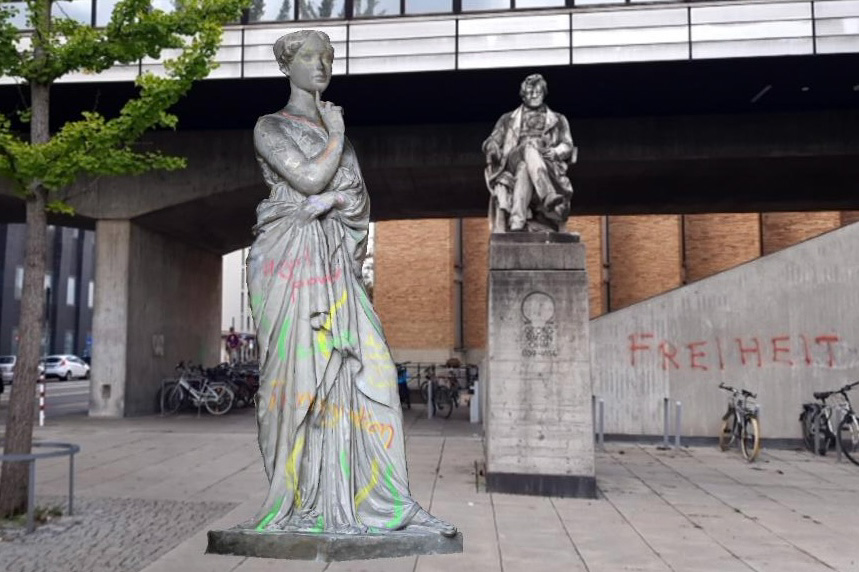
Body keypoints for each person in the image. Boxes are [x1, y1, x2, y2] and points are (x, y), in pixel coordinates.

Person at [246, 30, 455, 537]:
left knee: (376, 373)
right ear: (287, 65)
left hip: (336, 267)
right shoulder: (270, 126)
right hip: (288, 264)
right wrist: (335, 142)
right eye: (311, 57)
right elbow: (310, 180)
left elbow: (355, 199)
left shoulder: (341, 136)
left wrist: (336, 199)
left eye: (328, 57)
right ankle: (302, 502)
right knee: (299, 380)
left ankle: (388, 503)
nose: (322, 64)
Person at [482, 74, 575, 232]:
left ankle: (517, 220)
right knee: (528, 146)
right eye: (529, 92)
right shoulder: (507, 119)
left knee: (525, 168)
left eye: (537, 92)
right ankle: (547, 194)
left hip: (546, 162)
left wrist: (556, 152)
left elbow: (568, 145)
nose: (533, 95)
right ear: (523, 95)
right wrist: (492, 147)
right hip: (513, 160)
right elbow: (491, 141)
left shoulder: (558, 120)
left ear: (543, 93)